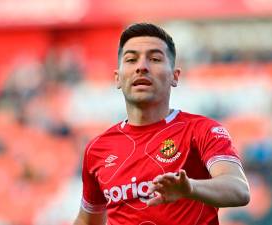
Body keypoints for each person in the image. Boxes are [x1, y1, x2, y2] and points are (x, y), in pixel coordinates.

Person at [73, 23, 250, 225]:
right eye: (131, 59)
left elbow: (239, 189)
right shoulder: (97, 149)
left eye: (155, 59)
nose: (142, 67)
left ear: (175, 76)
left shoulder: (201, 130)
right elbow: (88, 220)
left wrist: (190, 189)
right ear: (118, 78)